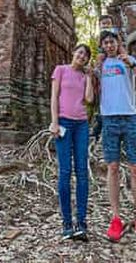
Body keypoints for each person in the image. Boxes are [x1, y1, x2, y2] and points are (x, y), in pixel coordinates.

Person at [95, 30, 136, 244]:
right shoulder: (100, 65)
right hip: (109, 120)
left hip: (129, 118)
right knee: (112, 169)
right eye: (106, 42)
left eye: (112, 41)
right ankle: (115, 218)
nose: (109, 45)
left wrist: (130, 63)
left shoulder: (129, 60)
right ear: (102, 46)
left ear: (119, 43)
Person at [49, 44, 94, 240]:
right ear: (74, 53)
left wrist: (91, 78)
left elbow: (89, 100)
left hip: (81, 125)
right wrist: (54, 122)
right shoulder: (60, 70)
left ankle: (81, 223)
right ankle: (67, 223)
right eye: (80, 52)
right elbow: (54, 97)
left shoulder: (84, 77)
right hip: (64, 123)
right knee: (65, 171)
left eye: (85, 55)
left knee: (82, 172)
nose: (82, 56)